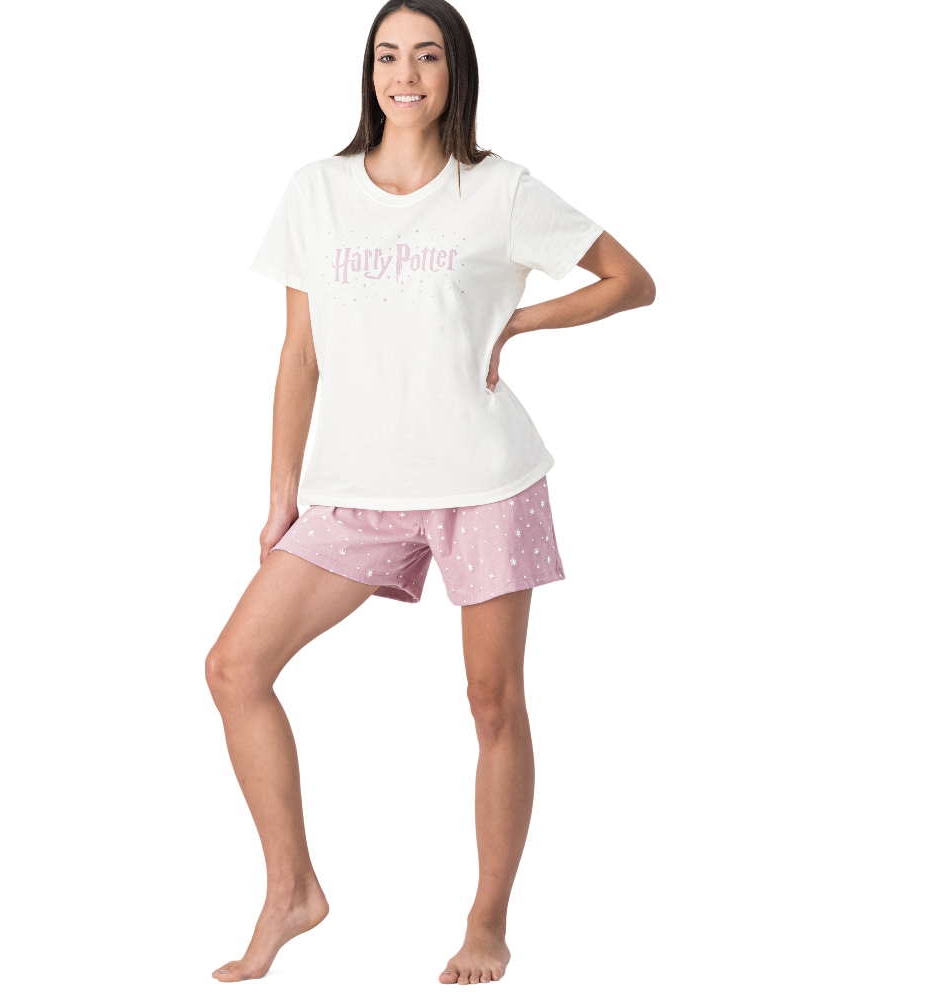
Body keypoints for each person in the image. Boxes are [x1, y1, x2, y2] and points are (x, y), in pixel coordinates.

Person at [206, 0, 655, 985]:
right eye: (387, 56)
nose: (404, 75)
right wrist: (282, 494)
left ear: (456, 72)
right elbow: (299, 352)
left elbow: (630, 280)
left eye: (426, 56)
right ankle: (292, 890)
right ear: (368, 72)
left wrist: (522, 323)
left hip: (485, 480)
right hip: (355, 488)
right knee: (235, 668)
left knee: (492, 701)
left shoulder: (498, 190)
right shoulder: (316, 191)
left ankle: (487, 921)